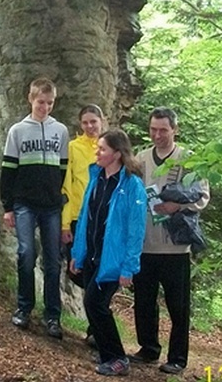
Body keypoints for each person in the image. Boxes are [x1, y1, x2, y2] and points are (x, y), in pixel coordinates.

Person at [130, 107, 210, 375]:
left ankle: (177, 357)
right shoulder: (141, 158)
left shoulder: (188, 158)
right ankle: (148, 348)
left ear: (174, 129)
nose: (157, 135)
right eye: (153, 129)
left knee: (178, 305)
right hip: (145, 244)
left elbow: (202, 195)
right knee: (144, 300)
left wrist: (178, 207)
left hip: (176, 246)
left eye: (163, 130)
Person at [70, 129, 147, 377]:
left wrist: (128, 268)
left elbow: (136, 231)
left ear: (117, 153)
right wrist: (77, 253)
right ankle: (108, 354)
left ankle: (117, 358)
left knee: (94, 303)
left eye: (102, 148)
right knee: (93, 304)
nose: (97, 152)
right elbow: (85, 219)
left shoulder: (132, 185)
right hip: (92, 255)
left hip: (112, 260)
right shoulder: (96, 177)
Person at [0, 77, 69, 339]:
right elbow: (8, 170)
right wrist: (8, 206)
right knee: (26, 253)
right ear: (31, 99)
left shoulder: (60, 131)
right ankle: (24, 308)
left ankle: (53, 316)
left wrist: (56, 193)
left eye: (50, 103)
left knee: (53, 260)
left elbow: (63, 168)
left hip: (51, 205)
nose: (45, 107)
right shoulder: (17, 131)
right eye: (41, 102)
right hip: (24, 203)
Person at [61, 104, 104, 347]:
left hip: (103, 220)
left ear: (101, 121)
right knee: (77, 270)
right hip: (78, 218)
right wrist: (65, 224)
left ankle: (95, 328)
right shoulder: (73, 148)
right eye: (85, 122)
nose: (90, 126)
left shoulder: (109, 146)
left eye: (93, 122)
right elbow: (66, 186)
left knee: (99, 272)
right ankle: (96, 322)